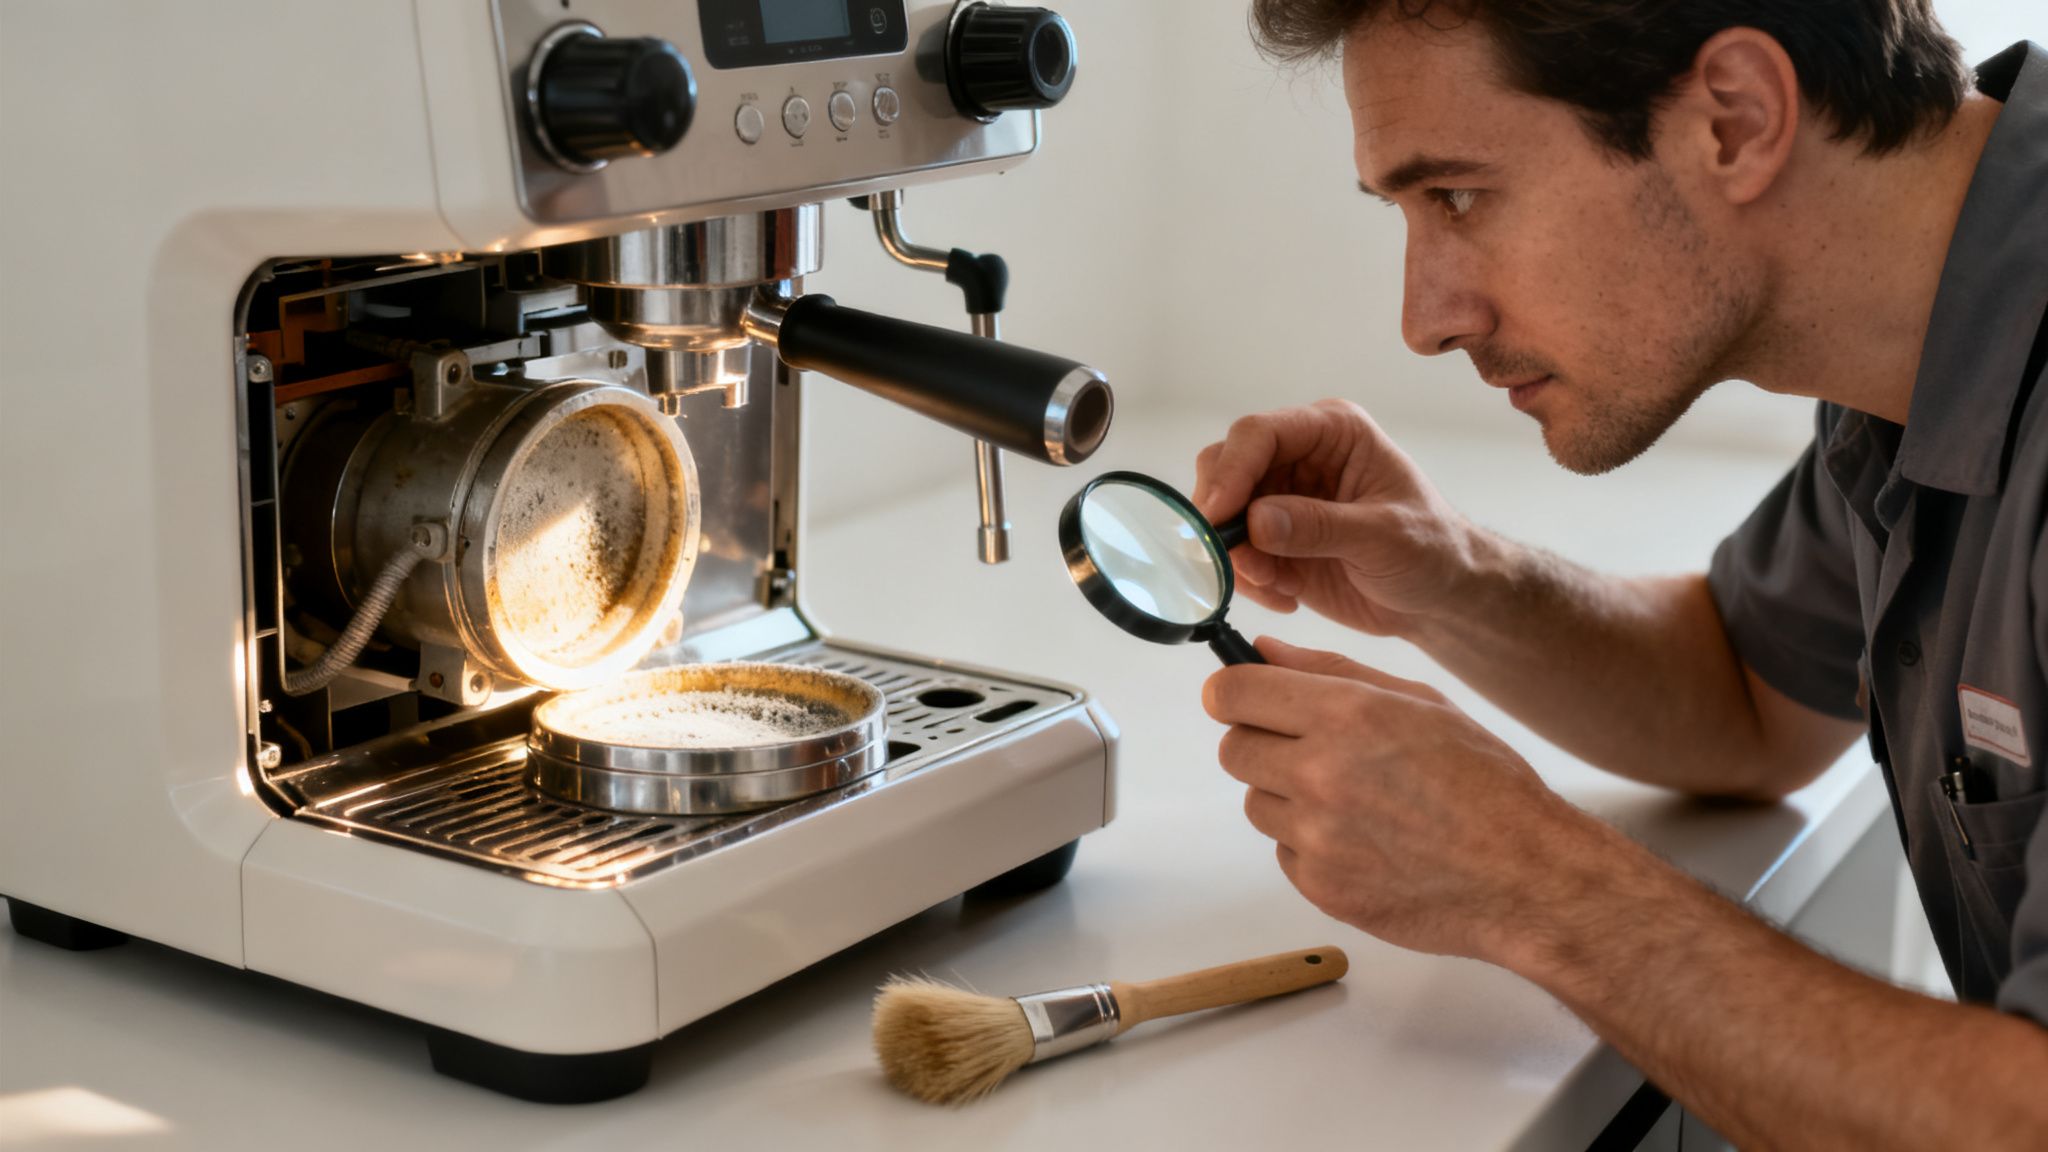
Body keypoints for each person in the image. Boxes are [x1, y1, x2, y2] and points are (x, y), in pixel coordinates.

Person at [1192, 1, 2048, 1145]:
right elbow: (1745, 699)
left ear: (1734, 120)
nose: (1424, 319)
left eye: (1457, 195)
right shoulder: (1912, 341)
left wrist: (1531, 883)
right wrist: (1449, 575)